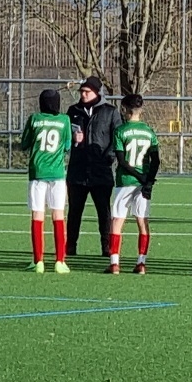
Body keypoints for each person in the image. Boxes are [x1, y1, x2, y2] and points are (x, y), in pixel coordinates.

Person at [66, 76, 123, 257]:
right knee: (74, 212)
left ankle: (106, 248)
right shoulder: (73, 111)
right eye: (81, 91)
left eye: (87, 92)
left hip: (101, 171)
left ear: (97, 92)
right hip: (77, 171)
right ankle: (70, 246)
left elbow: (118, 138)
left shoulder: (110, 112)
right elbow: (65, 135)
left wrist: (108, 158)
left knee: (104, 212)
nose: (83, 94)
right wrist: (72, 139)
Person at [105, 94, 159, 275]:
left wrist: (138, 176)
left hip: (125, 181)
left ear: (125, 109)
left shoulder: (120, 131)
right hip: (142, 183)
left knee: (117, 220)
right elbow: (156, 160)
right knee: (142, 221)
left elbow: (122, 161)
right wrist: (147, 180)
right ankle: (141, 263)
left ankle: (114, 263)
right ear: (141, 110)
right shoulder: (149, 131)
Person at [19, 89, 71, 274]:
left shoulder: (34, 119)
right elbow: (67, 146)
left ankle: (38, 261)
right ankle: (60, 261)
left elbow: (24, 144)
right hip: (57, 174)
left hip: (37, 173)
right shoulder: (64, 120)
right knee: (58, 215)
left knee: (37, 215)